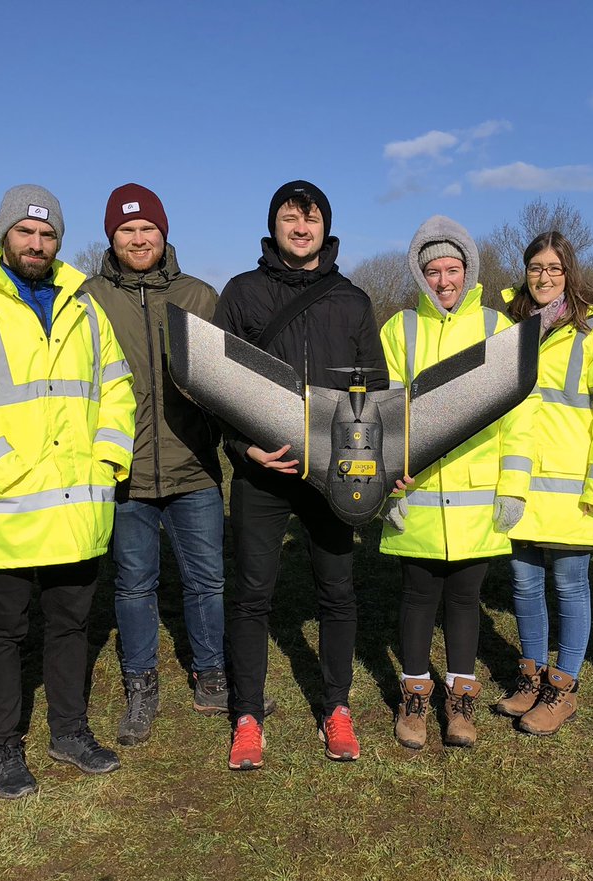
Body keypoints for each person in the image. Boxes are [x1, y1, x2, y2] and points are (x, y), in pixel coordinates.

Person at [0, 185, 135, 798]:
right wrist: (2, 465)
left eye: (47, 235)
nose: (36, 244)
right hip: (7, 506)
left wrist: (110, 456)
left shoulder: (86, 310)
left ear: (59, 240)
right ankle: (5, 746)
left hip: (78, 506)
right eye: (25, 232)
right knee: (5, 632)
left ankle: (68, 732)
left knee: (72, 624)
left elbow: (117, 390)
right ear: (3, 235)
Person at [213, 180, 387, 769]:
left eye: (310, 219)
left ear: (325, 229)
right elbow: (220, 386)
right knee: (252, 596)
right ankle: (247, 717)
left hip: (335, 472)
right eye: (290, 218)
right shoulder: (240, 293)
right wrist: (244, 448)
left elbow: (376, 392)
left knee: (337, 592)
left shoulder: (353, 301)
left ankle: (336, 708)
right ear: (275, 227)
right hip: (263, 470)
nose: (301, 227)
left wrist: (372, 464)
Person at [86, 183, 252, 746]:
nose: (139, 239)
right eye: (127, 230)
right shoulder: (87, 298)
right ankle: (141, 682)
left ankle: (210, 675)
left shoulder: (200, 297)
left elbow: (228, 383)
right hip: (123, 470)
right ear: (112, 236)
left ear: (164, 235)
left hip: (193, 467)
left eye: (148, 230)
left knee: (207, 579)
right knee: (134, 585)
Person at [378, 215, 533, 749]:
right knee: (418, 597)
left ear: (468, 270)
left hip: (477, 497)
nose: (443, 280)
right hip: (415, 493)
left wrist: (513, 487)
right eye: (432, 271)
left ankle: (460, 699)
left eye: (452, 268)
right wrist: (384, 489)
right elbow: (383, 415)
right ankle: (415, 697)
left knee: (467, 600)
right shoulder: (399, 330)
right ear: (420, 276)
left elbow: (519, 416)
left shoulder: (497, 329)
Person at [493, 232, 593, 735]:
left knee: (570, 585)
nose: (544, 276)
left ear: (569, 271)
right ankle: (531, 675)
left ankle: (563, 686)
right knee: (524, 583)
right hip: (517, 479)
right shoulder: (510, 324)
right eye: (535, 267)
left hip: (572, 486)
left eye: (554, 267)